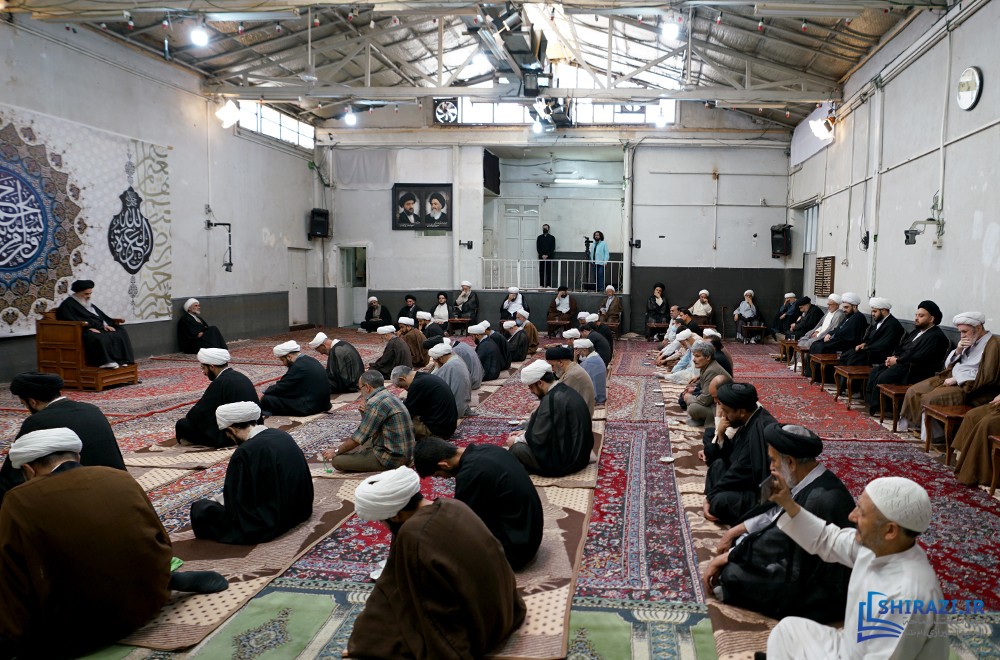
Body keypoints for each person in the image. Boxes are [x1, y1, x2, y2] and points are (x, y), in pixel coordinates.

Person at [0, 429, 227, 658]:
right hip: (150, 600)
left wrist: (14, 637)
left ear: (28, 470)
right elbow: (161, 540)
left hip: (78, 631)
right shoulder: (119, 477)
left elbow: (11, 576)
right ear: (77, 456)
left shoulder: (19, 499)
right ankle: (164, 581)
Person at [347, 467, 526, 657]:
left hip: (481, 631)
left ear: (395, 516)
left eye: (381, 521)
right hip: (507, 610)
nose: (382, 526)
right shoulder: (454, 505)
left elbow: (431, 607)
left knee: (370, 637)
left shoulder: (413, 535)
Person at [764, 476, 948, 660]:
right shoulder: (877, 546)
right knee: (787, 632)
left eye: (862, 512)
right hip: (851, 648)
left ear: (890, 531)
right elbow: (828, 539)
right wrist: (788, 503)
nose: (852, 516)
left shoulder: (906, 598)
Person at [704, 424, 855, 623]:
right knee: (743, 546)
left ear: (791, 462)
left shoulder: (819, 498)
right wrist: (735, 533)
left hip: (821, 588)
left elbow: (776, 543)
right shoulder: (809, 480)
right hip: (803, 558)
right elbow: (775, 514)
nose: (771, 467)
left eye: (774, 460)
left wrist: (728, 557)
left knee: (733, 573)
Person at [190, 402, 313, 544]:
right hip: (300, 510)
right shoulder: (281, 435)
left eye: (227, 433)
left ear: (232, 430)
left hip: (270, 522)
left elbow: (235, 502)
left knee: (201, 509)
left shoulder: (245, 452)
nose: (228, 437)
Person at [414, 438, 543, 570]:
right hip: (529, 533)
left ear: (444, 464)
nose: (444, 478)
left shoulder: (469, 474)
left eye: (438, 475)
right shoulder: (489, 449)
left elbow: (460, 524)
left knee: (447, 543)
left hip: (516, 551)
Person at [0, 372, 125, 507]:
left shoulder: (38, 421)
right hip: (119, 487)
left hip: (82, 500)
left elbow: (11, 472)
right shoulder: (92, 409)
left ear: (32, 402)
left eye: (24, 404)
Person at [900, 311, 1000, 433]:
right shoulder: (971, 339)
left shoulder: (993, 345)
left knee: (930, 399)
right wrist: (958, 350)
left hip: (969, 386)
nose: (962, 336)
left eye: (965, 331)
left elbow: (987, 375)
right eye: (960, 332)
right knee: (913, 391)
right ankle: (916, 426)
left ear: (978, 328)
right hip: (951, 376)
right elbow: (948, 365)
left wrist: (957, 378)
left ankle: (935, 436)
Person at [703, 382, 777, 525]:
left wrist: (710, 497)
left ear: (741, 412)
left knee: (719, 502)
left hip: (758, 494)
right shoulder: (749, 420)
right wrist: (721, 435)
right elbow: (732, 456)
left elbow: (740, 471)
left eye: (726, 411)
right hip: (744, 479)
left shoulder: (759, 429)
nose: (723, 416)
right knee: (717, 465)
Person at [507, 360, 594, 477]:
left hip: (567, 461)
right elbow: (554, 426)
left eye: (531, 387)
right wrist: (526, 433)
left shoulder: (552, 399)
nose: (531, 391)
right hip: (581, 456)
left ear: (540, 383)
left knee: (517, 449)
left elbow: (538, 437)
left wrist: (516, 440)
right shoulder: (563, 389)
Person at [865, 300, 951, 414]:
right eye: (916, 315)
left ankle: (888, 409)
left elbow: (920, 357)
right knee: (875, 371)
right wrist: (893, 357)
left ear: (931, 319)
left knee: (884, 377)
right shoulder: (916, 331)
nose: (916, 318)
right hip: (903, 364)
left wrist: (897, 360)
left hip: (916, 370)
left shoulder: (936, 336)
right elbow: (901, 347)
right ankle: (874, 404)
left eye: (921, 316)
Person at [322, 371, 415, 472]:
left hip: (392, 459)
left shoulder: (374, 402)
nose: (360, 392)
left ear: (367, 387)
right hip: (407, 454)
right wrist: (365, 414)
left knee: (337, 461)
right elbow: (371, 428)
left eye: (360, 388)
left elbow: (360, 436)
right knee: (363, 445)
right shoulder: (388, 395)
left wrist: (336, 451)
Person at [176, 348, 262, 447]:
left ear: (212, 367)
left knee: (182, 425)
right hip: (254, 427)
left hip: (233, 435)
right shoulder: (241, 376)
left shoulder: (220, 382)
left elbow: (198, 413)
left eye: (203, 368)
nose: (203, 372)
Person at [56, 279, 134, 368]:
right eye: (86, 294)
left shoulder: (86, 302)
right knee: (98, 336)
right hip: (81, 331)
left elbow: (99, 315)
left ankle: (122, 360)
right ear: (77, 293)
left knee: (120, 330)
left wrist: (105, 324)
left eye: (90, 293)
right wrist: (87, 328)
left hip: (97, 327)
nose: (89, 296)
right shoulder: (67, 305)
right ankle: (105, 362)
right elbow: (69, 320)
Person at [803, 292, 867, 378]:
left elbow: (847, 334)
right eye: (843, 307)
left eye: (846, 307)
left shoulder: (858, 317)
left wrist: (833, 337)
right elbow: (838, 329)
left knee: (821, 347)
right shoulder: (848, 316)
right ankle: (812, 373)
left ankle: (822, 376)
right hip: (838, 339)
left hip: (846, 344)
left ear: (855, 307)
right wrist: (829, 334)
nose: (844, 310)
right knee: (815, 344)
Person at [260, 341, 333, 417]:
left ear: (289, 357)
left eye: (283, 360)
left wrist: (267, 391)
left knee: (267, 399)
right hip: (324, 404)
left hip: (310, 406)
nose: (283, 364)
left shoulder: (298, 366)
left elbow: (283, 387)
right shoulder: (310, 360)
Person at [391, 366, 458, 439]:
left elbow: (407, 413)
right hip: (448, 427)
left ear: (402, 379)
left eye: (401, 386)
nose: (404, 389)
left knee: (399, 422)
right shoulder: (424, 377)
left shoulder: (417, 385)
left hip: (437, 432)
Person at [839, 297, 904, 368]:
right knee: (846, 355)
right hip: (870, 351)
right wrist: (864, 344)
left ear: (883, 310)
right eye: (872, 311)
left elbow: (884, 345)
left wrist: (866, 347)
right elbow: (870, 338)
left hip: (880, 355)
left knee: (853, 359)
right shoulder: (879, 321)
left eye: (875, 311)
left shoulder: (892, 325)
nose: (872, 314)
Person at [683, 341, 729, 427]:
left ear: (708, 357)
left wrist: (689, 398)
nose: (694, 359)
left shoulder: (711, 371)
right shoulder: (706, 366)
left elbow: (705, 400)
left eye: (697, 356)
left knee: (693, 408)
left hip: (721, 407)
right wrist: (694, 391)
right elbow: (706, 390)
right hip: (713, 402)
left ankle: (709, 419)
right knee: (687, 398)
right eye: (694, 356)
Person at [545, 345, 596, 417]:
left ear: (560, 362)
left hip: (580, 418)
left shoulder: (572, 375)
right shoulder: (572, 368)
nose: (552, 370)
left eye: (552, 365)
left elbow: (556, 400)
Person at [427, 341, 472, 416]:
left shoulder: (449, 366)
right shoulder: (457, 359)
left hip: (453, 409)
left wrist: (436, 367)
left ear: (440, 358)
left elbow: (431, 381)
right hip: (462, 405)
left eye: (435, 360)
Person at [575, 338, 607, 406]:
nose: (579, 354)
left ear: (585, 350)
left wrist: (575, 359)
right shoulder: (596, 356)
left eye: (579, 351)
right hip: (600, 395)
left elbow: (574, 374)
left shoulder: (588, 362)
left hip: (595, 398)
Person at [537, 223, 555, 287]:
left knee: (549, 271)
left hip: (549, 257)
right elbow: (538, 248)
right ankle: (541, 285)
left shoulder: (552, 237)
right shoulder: (539, 237)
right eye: (544, 228)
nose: (545, 229)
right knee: (541, 271)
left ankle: (548, 285)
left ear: (548, 229)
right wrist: (542, 255)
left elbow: (552, 248)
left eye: (546, 228)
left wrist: (547, 255)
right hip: (541, 257)